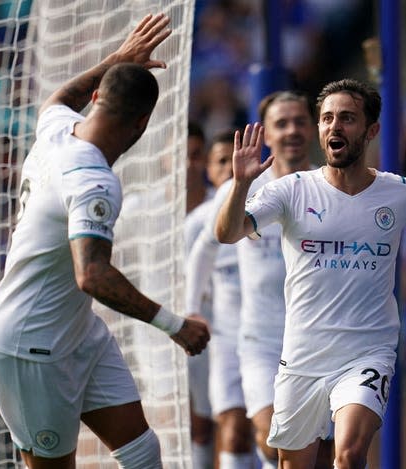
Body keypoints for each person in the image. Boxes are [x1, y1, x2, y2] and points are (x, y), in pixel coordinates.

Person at [214, 78, 406, 469]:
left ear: (371, 130)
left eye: (347, 118)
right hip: (303, 353)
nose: (334, 127)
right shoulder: (291, 191)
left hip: (367, 351)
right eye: (326, 119)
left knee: (349, 454)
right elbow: (227, 234)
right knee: (291, 462)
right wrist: (240, 185)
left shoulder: (400, 192)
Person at [0, 13, 210, 469]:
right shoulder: (93, 180)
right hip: (29, 345)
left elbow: (60, 97)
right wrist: (174, 325)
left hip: (77, 333)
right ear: (143, 124)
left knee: (143, 452)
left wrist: (117, 59)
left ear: (98, 97)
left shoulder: (55, 129)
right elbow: (92, 275)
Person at [189, 91, 333, 468]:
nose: (292, 131)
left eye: (300, 121)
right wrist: (191, 310)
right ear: (266, 134)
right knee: (273, 439)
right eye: (281, 124)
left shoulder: (331, 186)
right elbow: (206, 247)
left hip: (318, 339)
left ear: (314, 127)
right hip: (260, 341)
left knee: (324, 454)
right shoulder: (242, 188)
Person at [186, 129, 255, 468]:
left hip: (272, 334)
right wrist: (192, 311)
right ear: (209, 170)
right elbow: (189, 275)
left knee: (274, 436)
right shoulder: (199, 222)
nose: (231, 169)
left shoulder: (267, 206)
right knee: (223, 426)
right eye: (221, 162)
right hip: (219, 340)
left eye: (236, 160)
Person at [184, 121, 217, 469]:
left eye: (197, 156)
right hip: (154, 328)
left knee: (202, 425)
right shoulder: (139, 209)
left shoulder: (218, 210)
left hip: (208, 326)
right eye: (183, 156)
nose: (190, 164)